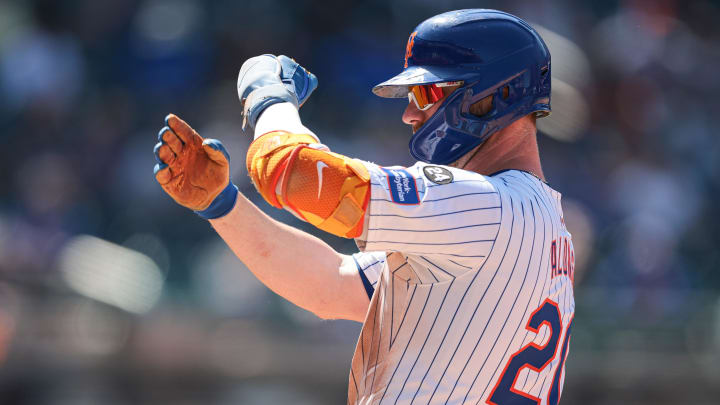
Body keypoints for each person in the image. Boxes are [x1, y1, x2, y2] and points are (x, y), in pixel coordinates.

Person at [153, 9, 575, 405]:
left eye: (427, 92)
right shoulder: (540, 225)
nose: (410, 113)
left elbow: (293, 174)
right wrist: (222, 205)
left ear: (497, 95)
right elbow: (329, 284)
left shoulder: (486, 206)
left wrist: (269, 100)